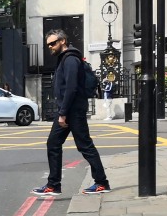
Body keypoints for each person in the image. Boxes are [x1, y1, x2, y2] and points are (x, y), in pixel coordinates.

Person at [34, 30, 110, 195]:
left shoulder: (70, 60)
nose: (50, 47)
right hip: (69, 110)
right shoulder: (65, 59)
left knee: (85, 145)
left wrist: (63, 113)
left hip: (72, 111)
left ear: (62, 41)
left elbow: (71, 88)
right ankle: (53, 185)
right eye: (48, 44)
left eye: (53, 43)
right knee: (53, 144)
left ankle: (101, 182)